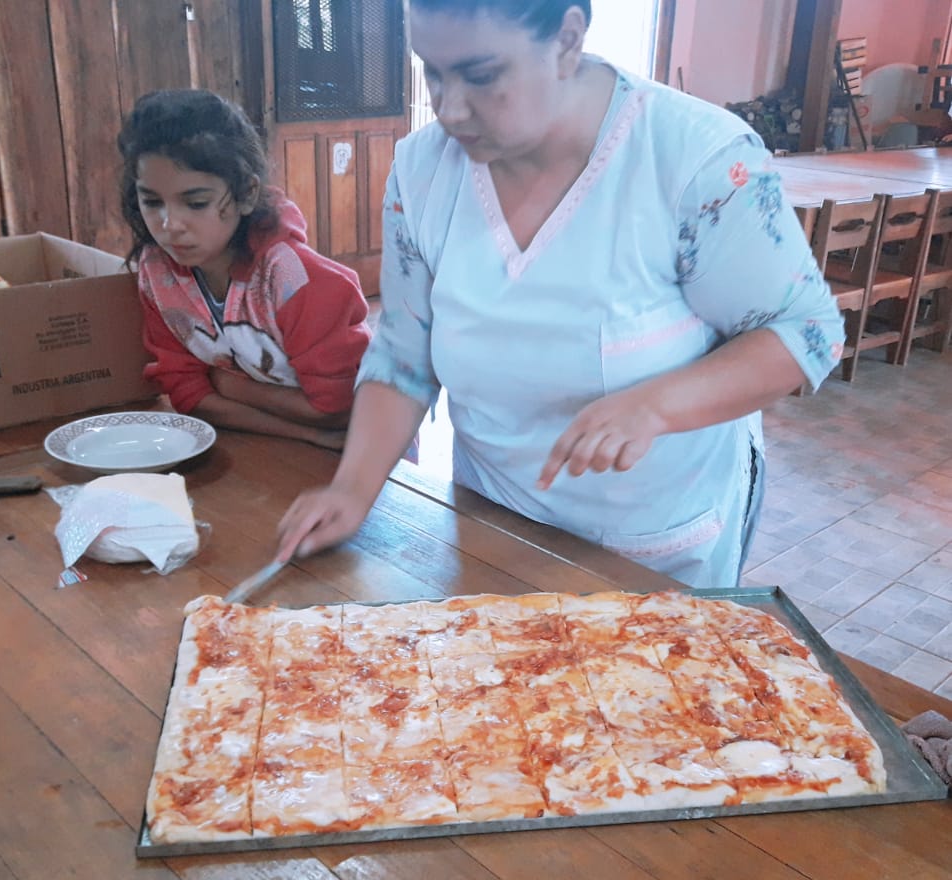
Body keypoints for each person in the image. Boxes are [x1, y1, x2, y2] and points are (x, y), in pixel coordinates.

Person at [277, 0, 845, 588]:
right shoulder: (422, 171)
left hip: (650, 542)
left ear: (568, 38)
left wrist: (656, 405)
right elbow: (403, 351)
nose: (449, 107)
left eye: (481, 74)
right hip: (496, 522)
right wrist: (353, 487)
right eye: (432, 71)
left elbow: (806, 333)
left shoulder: (693, 157)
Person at [118, 89, 372, 450]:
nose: (169, 224)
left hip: (365, 460)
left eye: (196, 202)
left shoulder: (296, 281)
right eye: (151, 201)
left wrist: (226, 385)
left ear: (247, 194)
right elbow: (185, 393)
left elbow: (337, 410)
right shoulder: (157, 272)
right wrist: (308, 433)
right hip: (271, 447)